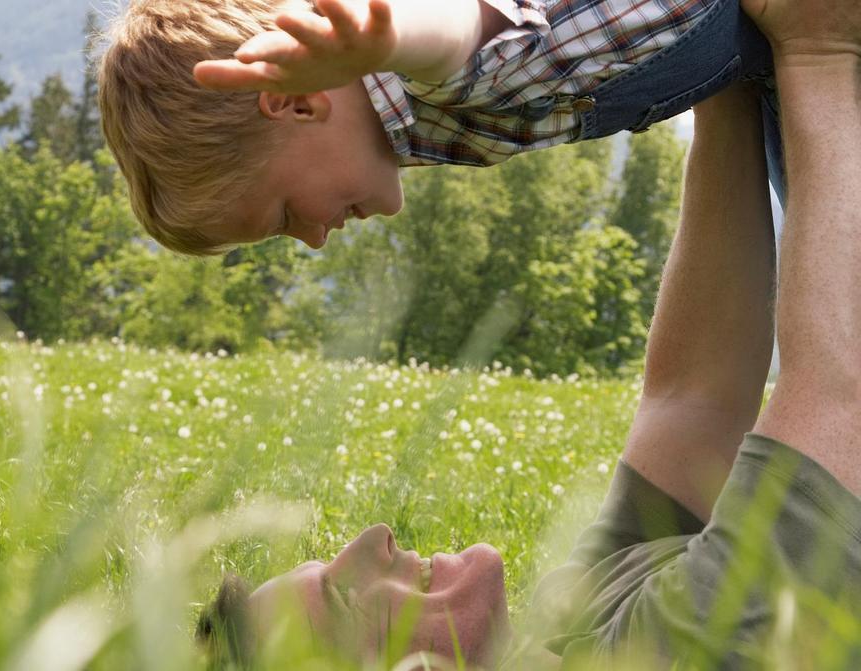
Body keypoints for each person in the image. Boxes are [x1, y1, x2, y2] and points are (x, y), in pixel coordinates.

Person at [195, 0, 861, 666]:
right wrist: (817, 51)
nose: (373, 540)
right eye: (347, 593)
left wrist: (727, 81)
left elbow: (692, 399)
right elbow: (839, 395)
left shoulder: (570, 624)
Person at [97, 0, 780, 255]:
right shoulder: (414, 134)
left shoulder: (417, 73)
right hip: (763, 56)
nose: (310, 239)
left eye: (283, 215)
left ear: (295, 100)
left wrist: (391, 34)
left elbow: (457, 30)